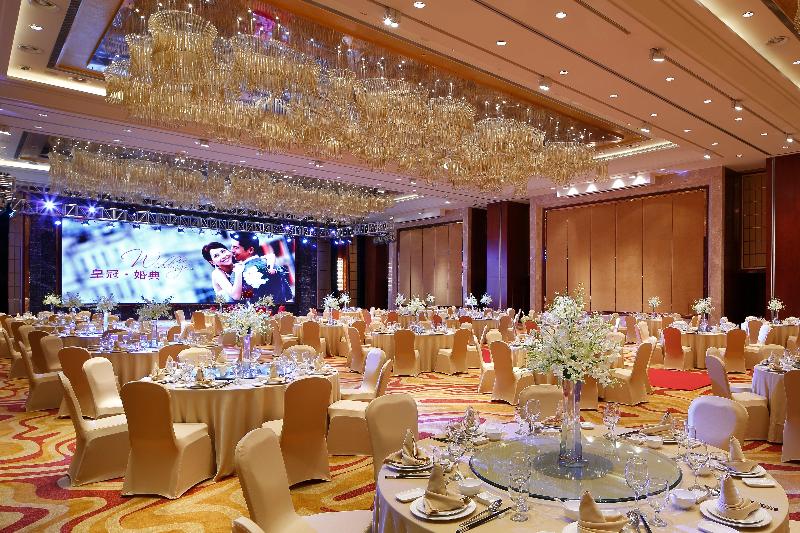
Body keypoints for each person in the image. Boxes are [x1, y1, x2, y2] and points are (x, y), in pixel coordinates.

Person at [230, 232, 275, 303]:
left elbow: (247, 298)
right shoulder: (267, 262)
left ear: (250, 250)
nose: (232, 250)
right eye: (232, 247)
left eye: (236, 248)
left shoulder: (242, 272)